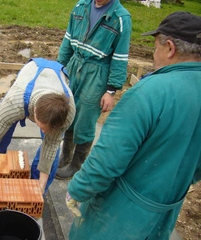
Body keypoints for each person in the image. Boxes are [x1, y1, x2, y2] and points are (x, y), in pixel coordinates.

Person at [65, 11, 201, 240]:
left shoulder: (148, 93)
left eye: (155, 46)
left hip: (119, 215)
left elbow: (106, 161)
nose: (153, 53)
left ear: (169, 48)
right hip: (163, 213)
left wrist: (76, 190)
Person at [0, 58, 76, 212]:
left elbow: (50, 147)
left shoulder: (69, 112)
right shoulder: (15, 103)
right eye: (42, 127)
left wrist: (39, 189)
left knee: (52, 148)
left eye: (48, 129)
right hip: (29, 78)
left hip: (57, 78)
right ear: (34, 113)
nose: (44, 132)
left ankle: (36, 189)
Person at [55, 0, 132, 179]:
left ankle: (77, 164)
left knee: (85, 119)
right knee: (68, 111)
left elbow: (120, 57)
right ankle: (65, 156)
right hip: (75, 65)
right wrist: (59, 68)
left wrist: (111, 90)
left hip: (97, 72)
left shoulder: (120, 18)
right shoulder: (80, 7)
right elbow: (67, 40)